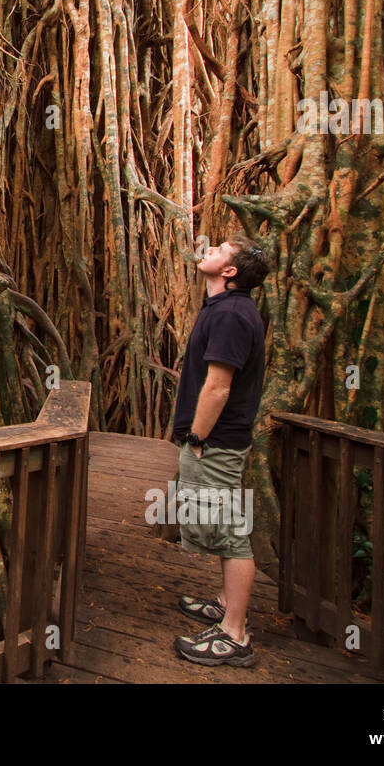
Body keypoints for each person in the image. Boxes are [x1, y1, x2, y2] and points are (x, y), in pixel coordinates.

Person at [169, 234, 269, 667]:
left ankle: (234, 633)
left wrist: (196, 439)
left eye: (217, 251)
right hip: (219, 439)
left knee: (230, 533)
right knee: (222, 523)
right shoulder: (224, 308)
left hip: (216, 441)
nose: (206, 250)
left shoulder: (230, 314)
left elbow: (218, 385)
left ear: (229, 272)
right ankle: (227, 603)